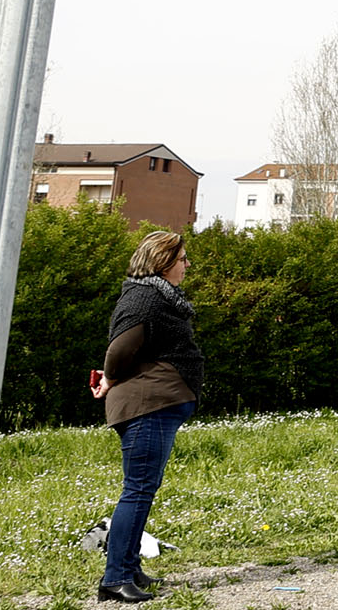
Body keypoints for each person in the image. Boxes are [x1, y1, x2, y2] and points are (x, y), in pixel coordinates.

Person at [91, 231, 203, 604]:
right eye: (182, 259)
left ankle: (129, 566)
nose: (187, 265)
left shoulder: (157, 297)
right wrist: (110, 379)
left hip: (156, 405)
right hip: (145, 406)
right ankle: (115, 579)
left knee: (142, 490)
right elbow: (118, 351)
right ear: (163, 262)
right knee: (137, 491)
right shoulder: (144, 300)